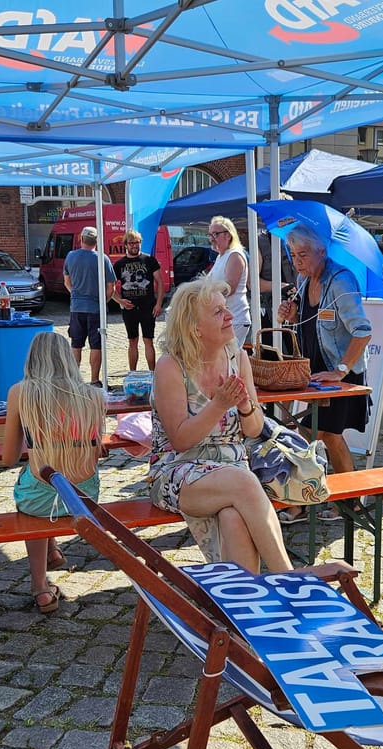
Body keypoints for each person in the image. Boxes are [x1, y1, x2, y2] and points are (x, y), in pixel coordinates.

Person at [150, 277, 295, 572]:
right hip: (178, 469)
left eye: (226, 307)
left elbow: (254, 430)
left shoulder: (237, 357)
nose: (230, 316)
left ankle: (244, 610)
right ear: (195, 328)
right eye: (218, 312)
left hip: (233, 470)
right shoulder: (170, 365)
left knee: (234, 516)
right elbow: (180, 440)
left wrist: (244, 407)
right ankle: (290, 579)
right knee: (243, 483)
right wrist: (218, 405)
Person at [0, 333, 107, 613]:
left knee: (36, 482)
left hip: (41, 501)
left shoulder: (21, 393)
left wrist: (39, 441)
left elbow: (8, 458)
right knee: (52, 477)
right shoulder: (94, 395)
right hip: (84, 498)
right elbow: (95, 454)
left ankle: (40, 588)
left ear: (32, 360)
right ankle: (53, 551)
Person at [277, 224, 372, 481]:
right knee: (330, 435)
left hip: (339, 374)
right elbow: (310, 326)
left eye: (303, 254)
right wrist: (292, 317)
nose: (296, 262)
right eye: (292, 254)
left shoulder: (341, 280)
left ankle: (300, 503)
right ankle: (347, 499)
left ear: (321, 251)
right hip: (316, 372)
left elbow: (363, 332)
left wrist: (339, 371)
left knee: (306, 436)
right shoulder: (303, 280)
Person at [63, 225, 116, 386]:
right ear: (96, 241)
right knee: (96, 345)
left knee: (76, 344)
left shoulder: (71, 256)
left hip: (77, 307)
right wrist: (102, 301)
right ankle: (94, 379)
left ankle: (74, 380)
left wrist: (75, 294)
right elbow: (111, 286)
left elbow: (67, 281)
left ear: (81, 239)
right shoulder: (102, 258)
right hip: (95, 309)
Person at [112, 229, 165, 371]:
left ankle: (153, 373)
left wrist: (159, 303)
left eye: (137, 242)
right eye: (131, 243)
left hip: (148, 307)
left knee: (148, 340)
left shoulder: (149, 260)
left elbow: (160, 282)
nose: (135, 245)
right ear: (125, 245)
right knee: (132, 340)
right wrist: (120, 301)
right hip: (129, 309)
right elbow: (109, 287)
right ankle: (132, 373)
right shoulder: (119, 264)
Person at [207, 216, 252, 344]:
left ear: (229, 235)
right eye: (210, 234)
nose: (211, 239)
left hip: (235, 318)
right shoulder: (221, 257)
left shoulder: (235, 256)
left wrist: (204, 294)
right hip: (226, 317)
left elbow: (229, 288)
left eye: (215, 234)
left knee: (230, 359)